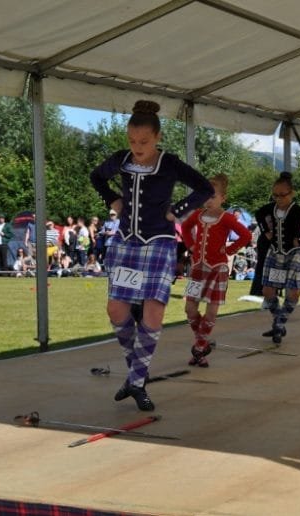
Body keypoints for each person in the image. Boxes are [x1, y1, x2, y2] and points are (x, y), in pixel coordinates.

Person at [90, 99, 214, 411]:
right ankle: (136, 376)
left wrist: (179, 210)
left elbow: (203, 188)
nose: (137, 147)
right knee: (116, 310)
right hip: (124, 243)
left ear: (157, 137)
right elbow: (96, 176)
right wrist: (113, 199)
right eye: (132, 141)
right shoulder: (121, 160)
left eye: (143, 142)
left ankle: (137, 379)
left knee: (153, 313)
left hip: (159, 242)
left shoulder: (169, 163)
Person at [182, 174, 251, 367]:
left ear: (223, 198)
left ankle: (199, 347)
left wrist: (229, 250)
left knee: (211, 312)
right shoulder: (197, 215)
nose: (208, 200)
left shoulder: (226, 218)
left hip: (217, 269)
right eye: (205, 196)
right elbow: (185, 229)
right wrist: (191, 246)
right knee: (190, 309)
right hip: (197, 268)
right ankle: (202, 344)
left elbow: (246, 235)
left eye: (213, 196)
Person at [256, 172, 300, 344]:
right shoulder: (270, 208)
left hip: (294, 254)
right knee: (267, 290)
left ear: (291, 194)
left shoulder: (297, 210)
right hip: (276, 253)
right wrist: (266, 231)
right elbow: (258, 214)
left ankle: (279, 323)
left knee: (294, 292)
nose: (278, 199)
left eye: (282, 195)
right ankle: (279, 323)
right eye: (275, 195)